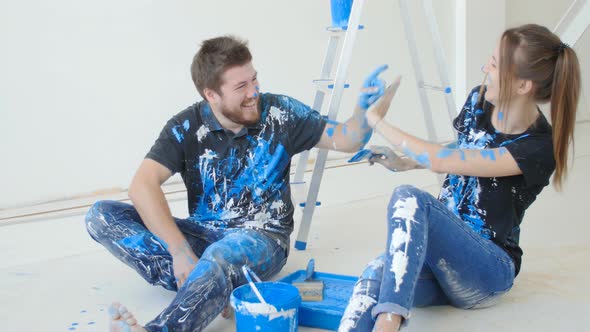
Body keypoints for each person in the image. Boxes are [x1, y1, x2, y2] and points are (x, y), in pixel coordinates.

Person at [84, 35, 397, 332]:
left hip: (262, 238)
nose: (254, 91)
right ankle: (207, 284)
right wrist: (179, 250)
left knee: (220, 256)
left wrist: (362, 111)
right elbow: (142, 185)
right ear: (211, 95)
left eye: (254, 79)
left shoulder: (280, 113)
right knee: (101, 215)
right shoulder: (186, 126)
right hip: (204, 234)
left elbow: (346, 139)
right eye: (241, 86)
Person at [338, 24, 581, 332]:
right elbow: (464, 151)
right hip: (441, 261)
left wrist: (376, 121)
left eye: (494, 65)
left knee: (409, 197)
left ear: (523, 86)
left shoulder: (536, 147)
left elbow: (443, 162)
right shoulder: (478, 102)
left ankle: (389, 324)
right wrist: (405, 162)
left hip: (486, 270)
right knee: (376, 272)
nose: (485, 69)